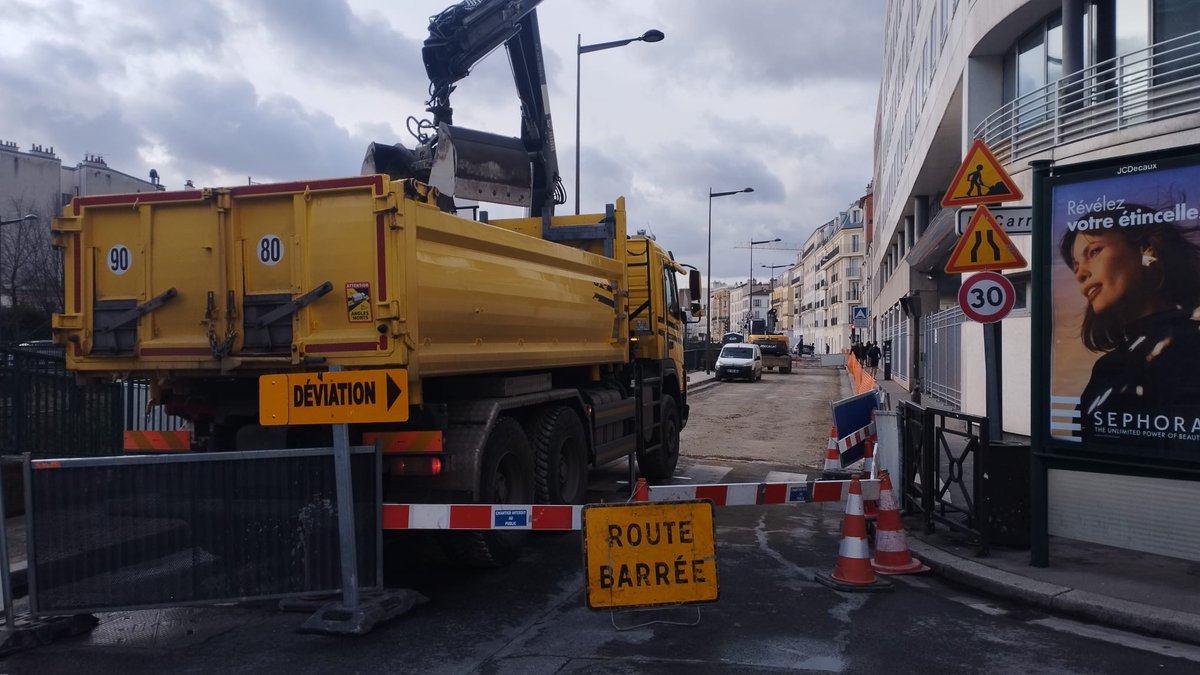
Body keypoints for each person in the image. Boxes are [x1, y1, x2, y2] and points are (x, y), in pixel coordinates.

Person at [1060, 212, 1200, 445]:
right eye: (1075, 266)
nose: (1080, 274)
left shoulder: (1182, 349)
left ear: (1147, 251)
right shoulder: (1118, 361)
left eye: (1093, 252)